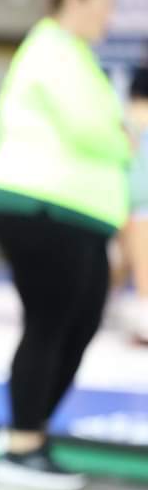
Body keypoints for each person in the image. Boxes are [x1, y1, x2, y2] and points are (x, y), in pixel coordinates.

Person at [0, 0, 128, 490]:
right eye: (104, 2)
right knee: (50, 321)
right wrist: (128, 133)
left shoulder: (75, 53)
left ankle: (27, 431)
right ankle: (22, 446)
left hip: (73, 213)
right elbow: (95, 130)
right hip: (38, 206)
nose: (110, 14)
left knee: (79, 321)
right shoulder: (52, 49)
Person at [115, 65, 148, 344]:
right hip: (127, 207)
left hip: (130, 206)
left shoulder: (126, 122)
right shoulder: (125, 124)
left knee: (126, 259)